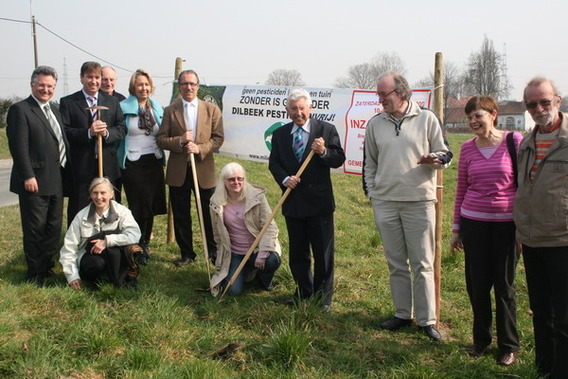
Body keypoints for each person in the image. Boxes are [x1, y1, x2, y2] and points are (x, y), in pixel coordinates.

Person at [363, 72, 452, 341]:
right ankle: (403, 313)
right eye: (378, 94)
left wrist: (434, 159)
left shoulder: (427, 118)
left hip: (419, 201)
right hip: (385, 203)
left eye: (384, 94)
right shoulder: (375, 124)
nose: (380, 100)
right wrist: (373, 193)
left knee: (423, 263)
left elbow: (446, 154)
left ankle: (427, 320)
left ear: (401, 92)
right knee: (396, 263)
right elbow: (370, 163)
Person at [449, 95, 521, 365]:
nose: (472, 121)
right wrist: (457, 229)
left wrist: (523, 228)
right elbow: (461, 190)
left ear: (493, 114)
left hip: (507, 226)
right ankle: (480, 340)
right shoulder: (468, 148)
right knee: (477, 287)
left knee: (504, 287)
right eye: (469, 117)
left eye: (477, 115)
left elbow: (524, 187)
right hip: (474, 224)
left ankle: (508, 345)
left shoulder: (514, 142)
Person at [269, 88, 345, 312]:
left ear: (310, 108)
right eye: (293, 109)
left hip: (319, 204)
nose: (298, 112)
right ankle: (303, 291)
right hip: (293, 202)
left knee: (323, 253)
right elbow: (274, 163)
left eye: (302, 108)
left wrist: (323, 152)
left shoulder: (326, 130)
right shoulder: (281, 134)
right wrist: (284, 179)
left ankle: (323, 298)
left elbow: (338, 159)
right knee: (298, 253)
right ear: (287, 110)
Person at [513, 77, 568, 378]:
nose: (538, 108)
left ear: (558, 101)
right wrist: (521, 231)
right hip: (532, 241)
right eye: (532, 104)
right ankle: (543, 368)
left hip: (562, 240)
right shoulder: (526, 142)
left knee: (565, 316)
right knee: (540, 311)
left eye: (544, 101)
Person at [6, 66, 71, 286]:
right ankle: (34, 274)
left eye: (50, 86)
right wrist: (27, 175)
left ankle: (47, 268)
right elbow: (19, 147)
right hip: (34, 181)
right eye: (41, 85)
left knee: (53, 228)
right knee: (35, 228)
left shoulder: (55, 109)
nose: (46, 89)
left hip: (56, 178)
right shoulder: (21, 110)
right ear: (32, 84)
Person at [157, 69, 224, 267]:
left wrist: (200, 148)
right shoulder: (171, 110)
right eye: (184, 84)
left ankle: (213, 251)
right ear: (179, 87)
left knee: (208, 212)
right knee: (181, 213)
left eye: (192, 84)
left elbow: (218, 138)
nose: (189, 87)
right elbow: (161, 139)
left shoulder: (211, 109)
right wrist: (179, 141)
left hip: (204, 171)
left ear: (198, 86)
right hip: (178, 172)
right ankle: (187, 253)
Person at [60, 61, 127, 224]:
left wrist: (106, 133)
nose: (94, 81)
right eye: (89, 77)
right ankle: (80, 243)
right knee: (80, 206)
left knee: (109, 206)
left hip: (108, 165)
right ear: (82, 78)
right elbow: (65, 132)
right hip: (81, 166)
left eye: (97, 77)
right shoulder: (68, 102)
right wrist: (89, 132)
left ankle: (109, 240)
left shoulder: (112, 102)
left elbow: (122, 128)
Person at [209, 162, 281, 296]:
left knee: (271, 261)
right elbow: (217, 234)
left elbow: (270, 227)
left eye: (239, 178)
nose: (236, 182)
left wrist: (263, 253)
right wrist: (221, 260)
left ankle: (263, 279)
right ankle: (246, 271)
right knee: (232, 291)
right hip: (235, 252)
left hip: (257, 249)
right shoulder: (216, 202)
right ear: (224, 181)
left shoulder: (257, 197)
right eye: (231, 179)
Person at [118, 69, 167, 264]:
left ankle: (145, 242)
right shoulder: (122, 107)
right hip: (132, 162)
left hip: (153, 161)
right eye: (140, 84)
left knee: (151, 204)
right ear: (133, 87)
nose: (143, 88)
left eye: (146, 84)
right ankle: (135, 243)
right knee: (138, 204)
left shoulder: (157, 108)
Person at [59, 177, 142, 290]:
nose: (99, 197)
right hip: (90, 259)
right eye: (95, 193)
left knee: (114, 252)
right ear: (90, 195)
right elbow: (69, 248)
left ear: (111, 194)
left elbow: (134, 234)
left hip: (115, 257)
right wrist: (72, 276)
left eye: (103, 193)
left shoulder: (122, 212)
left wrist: (107, 241)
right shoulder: (81, 216)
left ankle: (114, 279)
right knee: (97, 264)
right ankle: (99, 279)